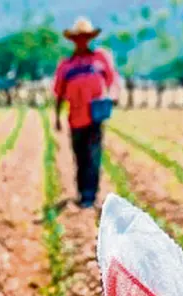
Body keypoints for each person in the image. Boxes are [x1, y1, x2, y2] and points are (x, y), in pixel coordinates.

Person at [53, 17, 119, 209]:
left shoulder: (100, 58)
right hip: (75, 117)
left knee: (93, 155)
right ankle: (82, 193)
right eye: (79, 38)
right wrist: (57, 117)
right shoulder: (66, 65)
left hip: (95, 115)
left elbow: (113, 80)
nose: (82, 41)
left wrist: (113, 96)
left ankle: (91, 195)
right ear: (74, 40)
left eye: (85, 37)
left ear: (90, 38)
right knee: (80, 156)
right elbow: (59, 93)